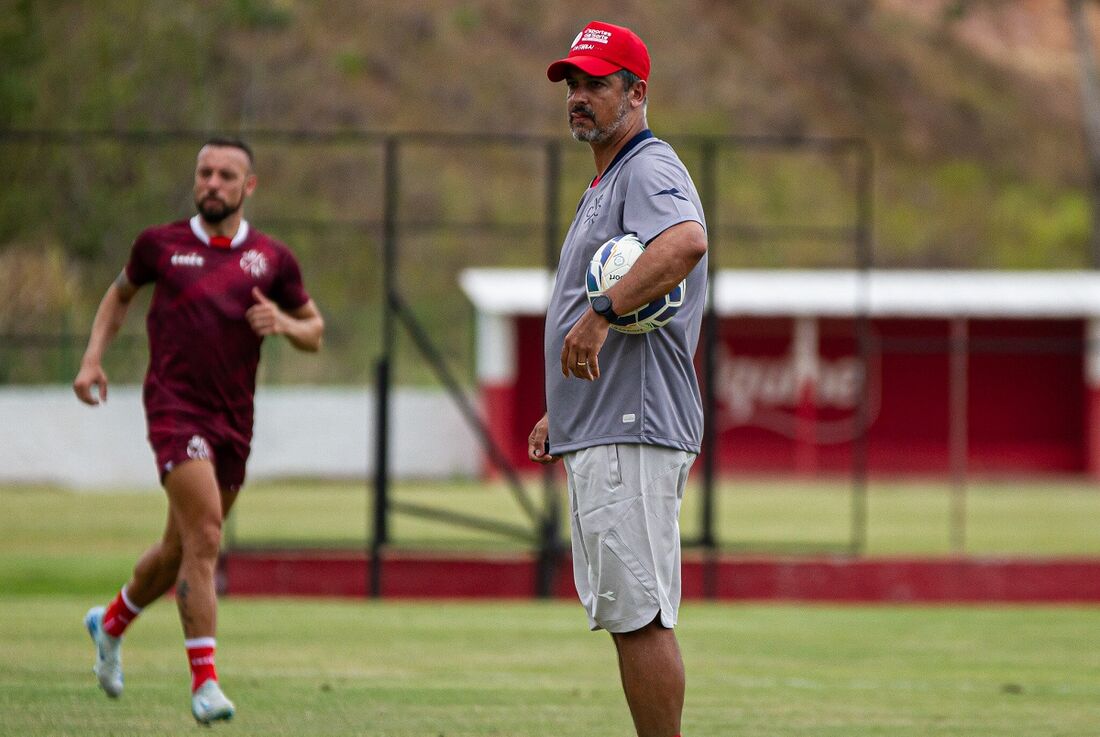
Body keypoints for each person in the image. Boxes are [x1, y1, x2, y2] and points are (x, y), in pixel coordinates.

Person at [73, 137, 324, 724]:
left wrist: (283, 323)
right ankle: (205, 684)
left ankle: (109, 625)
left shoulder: (272, 259)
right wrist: (91, 359)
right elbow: (118, 297)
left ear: (248, 186)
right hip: (173, 409)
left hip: (234, 421)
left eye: (226, 174)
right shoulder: (158, 245)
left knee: (178, 550)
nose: (212, 182)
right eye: (204, 172)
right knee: (207, 535)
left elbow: (315, 331)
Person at [527, 20, 709, 737]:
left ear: (637, 92)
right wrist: (562, 407)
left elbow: (686, 240)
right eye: (572, 83)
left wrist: (601, 311)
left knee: (640, 615)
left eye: (596, 83)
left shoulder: (647, 167)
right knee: (628, 613)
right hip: (606, 419)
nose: (579, 95)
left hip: (634, 425)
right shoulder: (611, 175)